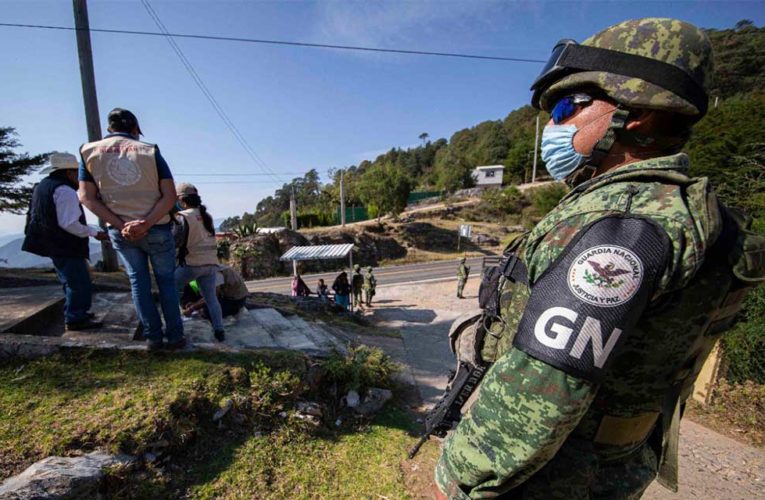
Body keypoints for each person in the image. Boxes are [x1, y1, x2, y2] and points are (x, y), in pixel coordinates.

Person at [434, 18, 765, 499]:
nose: (552, 125)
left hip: (549, 478)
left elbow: (541, 388)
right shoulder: (697, 213)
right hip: (609, 469)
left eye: (568, 106)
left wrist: (460, 477)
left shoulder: (622, 228)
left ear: (638, 113)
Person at [79, 108, 184, 350]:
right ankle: (176, 336)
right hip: (156, 227)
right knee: (166, 282)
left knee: (139, 283)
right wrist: (145, 223)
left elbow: (87, 198)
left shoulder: (88, 152)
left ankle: (153, 338)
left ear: (109, 129)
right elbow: (169, 196)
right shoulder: (149, 151)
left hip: (122, 232)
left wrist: (121, 225)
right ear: (135, 129)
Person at [22, 153, 107, 331]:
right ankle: (76, 318)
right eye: (79, 174)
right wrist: (93, 232)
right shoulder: (65, 191)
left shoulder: (43, 186)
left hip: (50, 241)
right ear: (69, 173)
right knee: (78, 282)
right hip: (65, 244)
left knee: (69, 280)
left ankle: (77, 311)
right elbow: (69, 223)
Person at [174, 182, 225, 342]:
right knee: (211, 299)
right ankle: (219, 331)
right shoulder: (206, 216)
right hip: (210, 264)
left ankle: (175, 328)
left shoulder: (183, 217)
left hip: (192, 264)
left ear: (181, 200)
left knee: (170, 289)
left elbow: (175, 241)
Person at [183, 265, 248, 319]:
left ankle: (235, 310)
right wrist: (195, 304)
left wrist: (192, 308)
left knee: (209, 312)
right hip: (226, 296)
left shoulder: (215, 274)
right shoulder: (209, 269)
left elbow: (212, 296)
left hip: (236, 300)